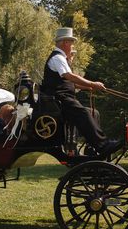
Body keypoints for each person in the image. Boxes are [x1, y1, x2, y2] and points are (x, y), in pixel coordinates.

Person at [41, 27, 121, 157]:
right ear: (65, 43)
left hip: (63, 98)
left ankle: (92, 148)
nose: (72, 46)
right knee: (83, 112)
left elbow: (68, 82)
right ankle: (103, 146)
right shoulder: (58, 58)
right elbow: (69, 76)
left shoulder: (61, 58)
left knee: (93, 113)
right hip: (59, 99)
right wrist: (92, 83)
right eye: (71, 42)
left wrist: (87, 87)